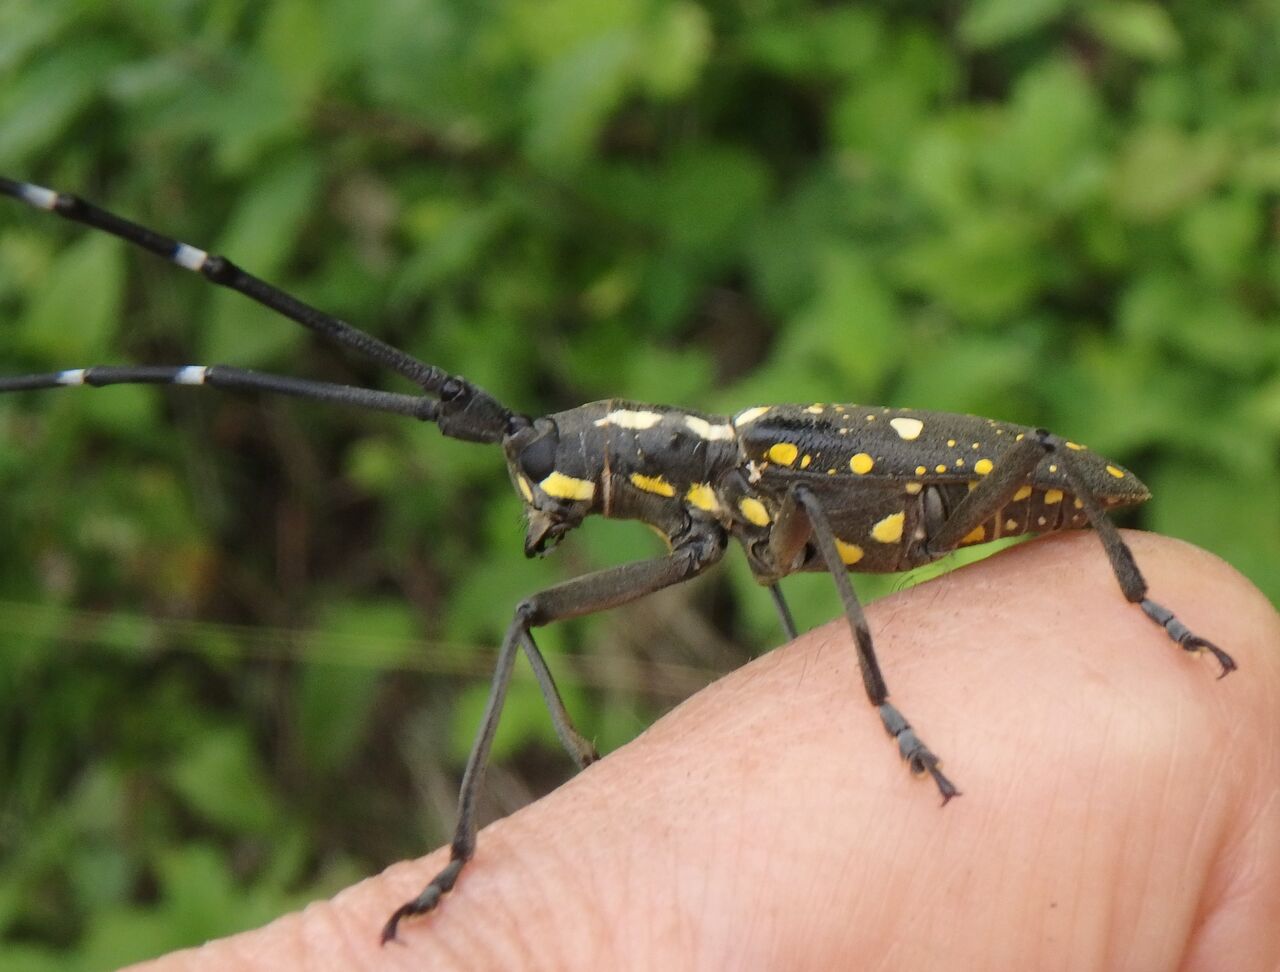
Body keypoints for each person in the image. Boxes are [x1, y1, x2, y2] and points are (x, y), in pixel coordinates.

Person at [131, 532, 1280, 971]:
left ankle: (1124, 620)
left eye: (560, 477)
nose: (546, 508)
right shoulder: (708, 515)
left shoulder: (751, 477)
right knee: (530, 617)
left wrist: (884, 706)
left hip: (927, 491)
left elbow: (813, 545)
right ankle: (554, 767)